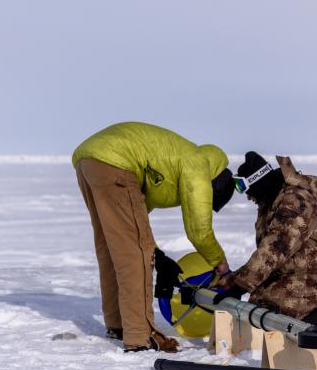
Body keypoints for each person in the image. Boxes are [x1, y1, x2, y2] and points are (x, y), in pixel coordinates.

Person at [72, 121, 236, 352]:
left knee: (113, 247)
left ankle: (117, 324)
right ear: (214, 185)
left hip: (89, 161)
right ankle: (140, 335)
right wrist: (220, 263)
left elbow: (136, 226)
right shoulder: (199, 164)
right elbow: (199, 231)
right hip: (116, 161)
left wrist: (158, 256)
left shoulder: (175, 160)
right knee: (135, 256)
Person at [215, 152, 317, 345]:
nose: (247, 196)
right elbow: (265, 255)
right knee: (254, 310)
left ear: (259, 181)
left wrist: (240, 286)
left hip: (307, 279)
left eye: (245, 188)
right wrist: (230, 281)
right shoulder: (270, 202)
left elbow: (274, 249)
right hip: (283, 275)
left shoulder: (295, 201)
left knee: (271, 319)